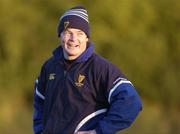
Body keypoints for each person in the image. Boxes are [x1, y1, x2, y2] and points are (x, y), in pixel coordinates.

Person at [33, 6, 142, 134]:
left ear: (87, 38)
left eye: (80, 33)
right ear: (60, 35)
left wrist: (99, 131)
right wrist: (40, 131)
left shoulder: (100, 68)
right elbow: (39, 103)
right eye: (68, 32)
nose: (73, 39)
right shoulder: (49, 66)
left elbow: (131, 102)